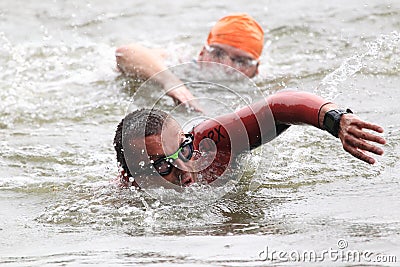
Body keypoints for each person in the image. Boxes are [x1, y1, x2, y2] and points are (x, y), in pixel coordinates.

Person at [113, 90, 386, 188]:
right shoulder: (129, 204)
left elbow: (277, 106)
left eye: (183, 151)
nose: (184, 170)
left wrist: (334, 120)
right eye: (162, 167)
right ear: (131, 179)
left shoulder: (211, 143)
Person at [115, 13, 264, 111]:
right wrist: (171, 82)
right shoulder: (179, 64)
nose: (226, 65)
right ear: (201, 53)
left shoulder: (260, 88)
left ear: (255, 71)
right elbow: (125, 52)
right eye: (218, 53)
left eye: (241, 61)